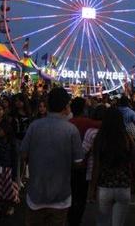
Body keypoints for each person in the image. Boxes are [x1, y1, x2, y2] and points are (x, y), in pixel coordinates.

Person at [20, 87, 84, 226]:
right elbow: (78, 162)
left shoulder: (34, 126)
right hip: (60, 195)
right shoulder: (71, 130)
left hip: (36, 193)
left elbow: (23, 154)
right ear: (66, 106)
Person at [90, 107, 135, 226]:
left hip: (104, 186)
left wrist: (92, 188)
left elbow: (96, 166)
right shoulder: (127, 138)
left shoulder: (100, 139)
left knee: (102, 222)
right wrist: (134, 184)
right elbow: (134, 164)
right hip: (123, 186)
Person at [68, 97, 101, 226]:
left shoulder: (69, 122)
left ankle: (71, 219)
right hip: (84, 164)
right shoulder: (90, 123)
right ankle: (77, 220)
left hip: (70, 164)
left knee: (71, 192)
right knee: (81, 196)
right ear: (84, 109)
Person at [0, 121, 19, 218]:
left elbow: (15, 159)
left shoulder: (12, 143)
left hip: (8, 169)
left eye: (0, 130)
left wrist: (14, 173)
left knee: (9, 188)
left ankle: (10, 206)